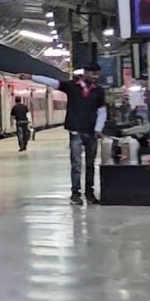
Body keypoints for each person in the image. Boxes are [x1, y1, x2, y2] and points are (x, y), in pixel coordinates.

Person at [18, 63, 107, 204]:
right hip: (75, 131)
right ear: (85, 73)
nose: (95, 77)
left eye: (97, 74)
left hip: (91, 133)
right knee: (76, 165)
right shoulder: (71, 86)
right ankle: (75, 194)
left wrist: (98, 129)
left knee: (91, 165)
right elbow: (52, 82)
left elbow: (102, 111)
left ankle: (90, 194)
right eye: (93, 74)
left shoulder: (99, 91)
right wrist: (31, 77)